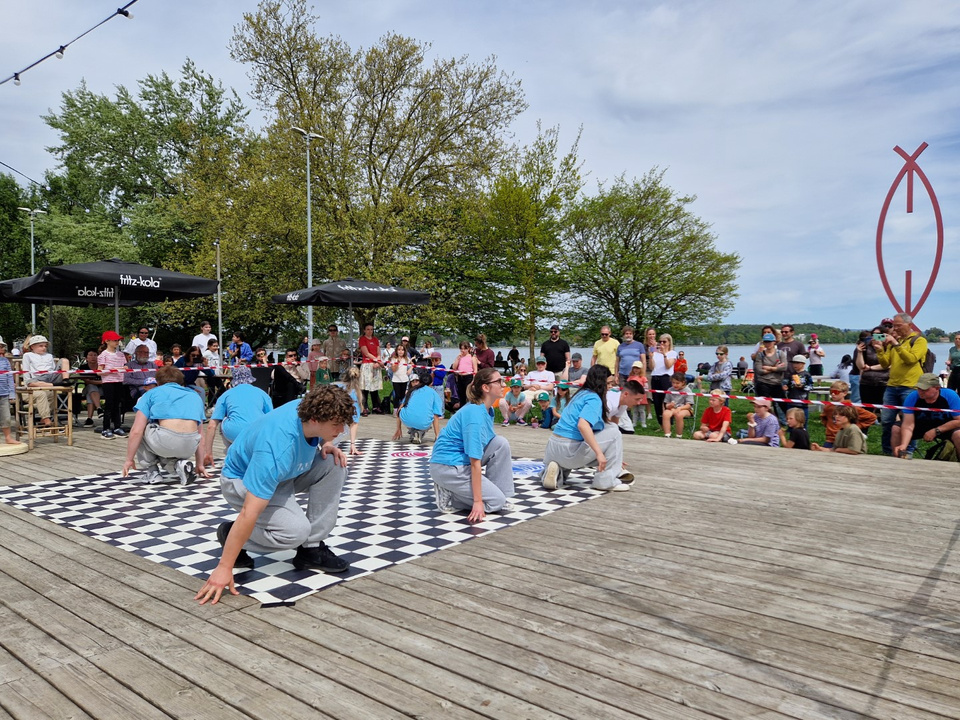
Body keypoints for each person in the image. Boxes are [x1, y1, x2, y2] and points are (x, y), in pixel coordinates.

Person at [195, 384, 356, 605]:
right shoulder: (275, 448)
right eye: (336, 425)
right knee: (295, 532)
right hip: (242, 479)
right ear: (315, 420)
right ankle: (230, 533)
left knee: (335, 465)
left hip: (285, 472)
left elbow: (318, 433)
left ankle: (311, 549)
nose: (342, 429)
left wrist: (327, 442)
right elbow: (249, 512)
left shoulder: (308, 408)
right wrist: (224, 567)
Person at [430, 368, 514, 522]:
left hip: (460, 461)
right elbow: (475, 462)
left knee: (500, 443)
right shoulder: (474, 415)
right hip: (448, 467)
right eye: (499, 381)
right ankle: (452, 496)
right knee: (496, 502)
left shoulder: (487, 410)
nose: (503, 385)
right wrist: (477, 501)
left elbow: (485, 447)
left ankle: (499, 494)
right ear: (486, 387)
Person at [540, 364, 633, 493]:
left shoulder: (580, 394)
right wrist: (600, 454)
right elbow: (583, 425)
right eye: (608, 383)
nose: (611, 387)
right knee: (614, 432)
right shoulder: (594, 399)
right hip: (569, 452)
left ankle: (557, 472)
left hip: (553, 449)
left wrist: (613, 455)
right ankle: (604, 481)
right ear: (600, 383)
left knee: (608, 427)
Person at [122, 365, 206, 485]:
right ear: (181, 381)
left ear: (158, 382)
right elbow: (201, 433)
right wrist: (200, 464)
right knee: (167, 443)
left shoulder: (151, 393)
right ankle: (178, 465)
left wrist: (129, 460)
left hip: (165, 441)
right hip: (190, 445)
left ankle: (153, 472)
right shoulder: (195, 396)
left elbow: (136, 431)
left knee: (142, 428)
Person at [201, 364, 273, 472]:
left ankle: (231, 451)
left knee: (224, 420)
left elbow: (211, 426)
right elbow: (271, 420)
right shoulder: (262, 393)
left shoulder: (226, 395)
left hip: (234, 434)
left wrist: (208, 453)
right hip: (256, 434)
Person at [875, 312, 927, 456]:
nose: (895, 328)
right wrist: (880, 350)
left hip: (910, 386)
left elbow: (911, 359)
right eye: (894, 326)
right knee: (886, 421)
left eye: (898, 325)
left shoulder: (919, 340)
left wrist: (896, 344)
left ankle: (908, 450)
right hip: (892, 385)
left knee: (908, 421)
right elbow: (885, 364)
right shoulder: (895, 342)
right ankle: (888, 451)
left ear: (909, 325)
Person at [891, 372, 960, 459]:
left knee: (959, 434)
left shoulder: (950, 396)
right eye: (919, 388)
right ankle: (898, 457)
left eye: (925, 389)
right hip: (920, 425)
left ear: (937, 388)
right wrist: (903, 445)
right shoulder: (912, 397)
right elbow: (908, 424)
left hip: (945, 427)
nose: (920, 392)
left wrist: (936, 430)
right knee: (896, 429)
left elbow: (958, 420)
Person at [21, 334, 72, 427]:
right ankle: (46, 419)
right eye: (41, 346)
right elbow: (26, 373)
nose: (44, 348)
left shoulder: (49, 355)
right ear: (32, 347)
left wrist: (57, 376)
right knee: (45, 393)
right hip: (37, 378)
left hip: (50, 376)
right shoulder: (28, 355)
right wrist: (29, 382)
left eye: (45, 346)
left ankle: (65, 380)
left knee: (64, 360)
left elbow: (53, 369)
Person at [392, 370, 443, 444]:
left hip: (407, 420)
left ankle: (413, 431)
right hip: (423, 422)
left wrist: (398, 429)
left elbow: (399, 410)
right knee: (428, 417)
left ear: (419, 381)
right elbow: (436, 416)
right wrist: (437, 435)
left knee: (410, 414)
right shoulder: (434, 393)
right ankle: (419, 431)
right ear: (431, 383)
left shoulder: (412, 391)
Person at [819, 381, 875, 448]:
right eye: (831, 392)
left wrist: (857, 426)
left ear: (844, 393)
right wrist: (829, 426)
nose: (833, 394)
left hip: (846, 439)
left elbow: (872, 417)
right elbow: (823, 417)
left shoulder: (851, 407)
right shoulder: (828, 407)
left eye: (836, 392)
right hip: (830, 440)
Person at [97, 331, 128, 438]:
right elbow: (99, 371)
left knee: (117, 404)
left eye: (118, 340)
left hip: (119, 381)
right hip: (108, 382)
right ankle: (106, 428)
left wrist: (124, 368)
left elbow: (125, 367)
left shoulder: (121, 354)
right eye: (115, 340)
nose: (117, 342)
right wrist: (110, 370)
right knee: (109, 405)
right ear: (107, 341)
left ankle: (117, 427)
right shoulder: (103, 355)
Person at [753, 332, 787, 420]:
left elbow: (784, 367)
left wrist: (769, 368)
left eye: (769, 342)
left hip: (777, 383)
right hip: (763, 383)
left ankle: (787, 422)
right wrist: (775, 368)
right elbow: (759, 370)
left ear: (774, 342)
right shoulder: (761, 355)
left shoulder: (780, 353)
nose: (767, 344)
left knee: (784, 405)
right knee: (764, 406)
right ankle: (767, 422)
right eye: (765, 342)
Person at [856, 326, 888, 416]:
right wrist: (859, 352)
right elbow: (861, 366)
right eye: (873, 335)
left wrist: (870, 367)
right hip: (867, 382)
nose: (876, 337)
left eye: (879, 335)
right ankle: (867, 423)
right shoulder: (866, 347)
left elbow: (888, 365)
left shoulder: (888, 347)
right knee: (866, 409)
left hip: (884, 382)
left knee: (886, 409)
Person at [649, 333, 677, 426]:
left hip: (666, 378)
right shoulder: (655, 352)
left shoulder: (672, 353)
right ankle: (661, 423)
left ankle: (669, 422)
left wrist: (664, 354)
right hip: (655, 377)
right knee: (657, 401)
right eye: (660, 341)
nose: (662, 343)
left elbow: (668, 365)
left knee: (666, 401)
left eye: (664, 342)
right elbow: (651, 367)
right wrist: (651, 356)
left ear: (669, 342)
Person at [358, 323, 384, 416]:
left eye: (371, 329)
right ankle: (364, 407)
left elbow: (378, 352)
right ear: (364, 330)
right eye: (368, 329)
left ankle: (375, 406)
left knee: (374, 387)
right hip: (367, 364)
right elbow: (366, 353)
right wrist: (376, 360)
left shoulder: (375, 339)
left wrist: (378, 362)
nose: (370, 331)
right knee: (365, 387)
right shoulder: (362, 339)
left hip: (375, 365)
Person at [0, 336, 21, 446]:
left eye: (2, 346)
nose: (2, 348)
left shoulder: (5, 361)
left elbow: (9, 377)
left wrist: (11, 394)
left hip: (4, 394)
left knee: (6, 417)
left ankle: (8, 438)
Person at [661, 371, 694, 438]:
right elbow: (666, 403)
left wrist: (680, 408)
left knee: (679, 415)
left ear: (683, 382)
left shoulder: (687, 390)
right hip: (673, 408)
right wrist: (669, 405)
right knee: (665, 414)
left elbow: (689, 405)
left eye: (677, 383)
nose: (675, 385)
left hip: (685, 409)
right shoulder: (670, 389)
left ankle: (679, 435)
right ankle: (667, 434)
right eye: (673, 383)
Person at [77, 348, 103, 427]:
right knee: (91, 387)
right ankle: (99, 408)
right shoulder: (83, 367)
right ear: (86, 358)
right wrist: (99, 382)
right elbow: (86, 381)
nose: (93, 357)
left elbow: (105, 381)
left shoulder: (102, 367)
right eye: (90, 355)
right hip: (88, 388)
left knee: (90, 393)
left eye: (95, 355)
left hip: (102, 389)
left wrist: (93, 382)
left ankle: (89, 419)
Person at [782, 355, 813, 421]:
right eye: (793, 363)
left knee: (802, 420)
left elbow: (810, 387)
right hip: (791, 401)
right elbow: (790, 385)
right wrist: (787, 387)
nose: (794, 365)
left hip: (802, 402)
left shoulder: (807, 375)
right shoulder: (791, 374)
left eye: (797, 363)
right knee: (790, 419)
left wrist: (802, 387)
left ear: (803, 364)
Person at [452, 340, 478, 413]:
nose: (463, 350)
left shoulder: (472, 358)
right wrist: (457, 359)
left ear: (468, 349)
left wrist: (474, 380)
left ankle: (470, 410)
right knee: (461, 395)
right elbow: (454, 367)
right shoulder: (459, 357)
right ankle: (462, 410)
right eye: (461, 349)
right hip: (460, 377)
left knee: (468, 395)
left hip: (468, 377)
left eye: (464, 349)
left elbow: (475, 370)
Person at [389, 343, 413, 408]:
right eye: (399, 350)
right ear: (396, 351)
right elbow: (394, 370)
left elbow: (412, 364)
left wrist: (410, 369)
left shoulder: (406, 358)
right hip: (396, 380)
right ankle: (395, 409)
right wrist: (397, 362)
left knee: (403, 395)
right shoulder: (393, 359)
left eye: (402, 350)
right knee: (397, 395)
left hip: (404, 379)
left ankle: (401, 408)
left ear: (404, 351)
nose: (400, 351)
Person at [626, 361, 649, 428]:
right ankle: (634, 422)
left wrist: (643, 389)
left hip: (641, 397)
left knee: (641, 410)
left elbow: (646, 386)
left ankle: (643, 423)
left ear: (641, 369)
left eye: (638, 368)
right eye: (634, 368)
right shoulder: (630, 377)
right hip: (633, 396)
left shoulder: (643, 378)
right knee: (635, 410)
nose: (636, 370)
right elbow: (628, 385)